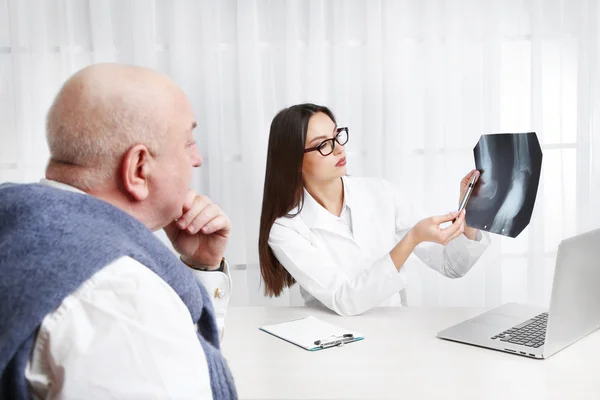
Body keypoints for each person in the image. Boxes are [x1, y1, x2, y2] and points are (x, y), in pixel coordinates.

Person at [0, 64, 237, 399]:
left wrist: (202, 265)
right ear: (139, 168)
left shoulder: (20, 225)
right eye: (188, 143)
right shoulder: (123, 298)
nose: (196, 159)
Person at [258, 103, 491, 316]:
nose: (339, 149)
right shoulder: (285, 229)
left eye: (336, 136)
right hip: (333, 343)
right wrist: (412, 239)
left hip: (394, 336)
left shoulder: (381, 193)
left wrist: (471, 209)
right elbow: (343, 300)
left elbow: (452, 266)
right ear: (295, 161)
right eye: (323, 145)